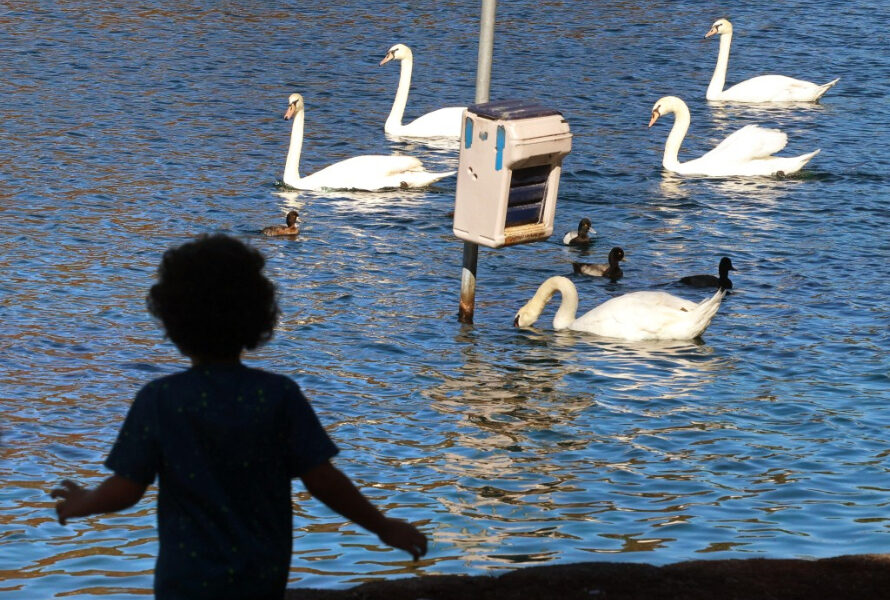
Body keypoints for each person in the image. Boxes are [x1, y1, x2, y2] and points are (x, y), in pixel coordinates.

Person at [50, 234, 427, 600]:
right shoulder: (279, 395)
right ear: (259, 316)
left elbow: (126, 490)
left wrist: (81, 502)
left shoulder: (161, 399)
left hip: (185, 583)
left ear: (171, 319)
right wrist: (382, 526)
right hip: (261, 580)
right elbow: (324, 480)